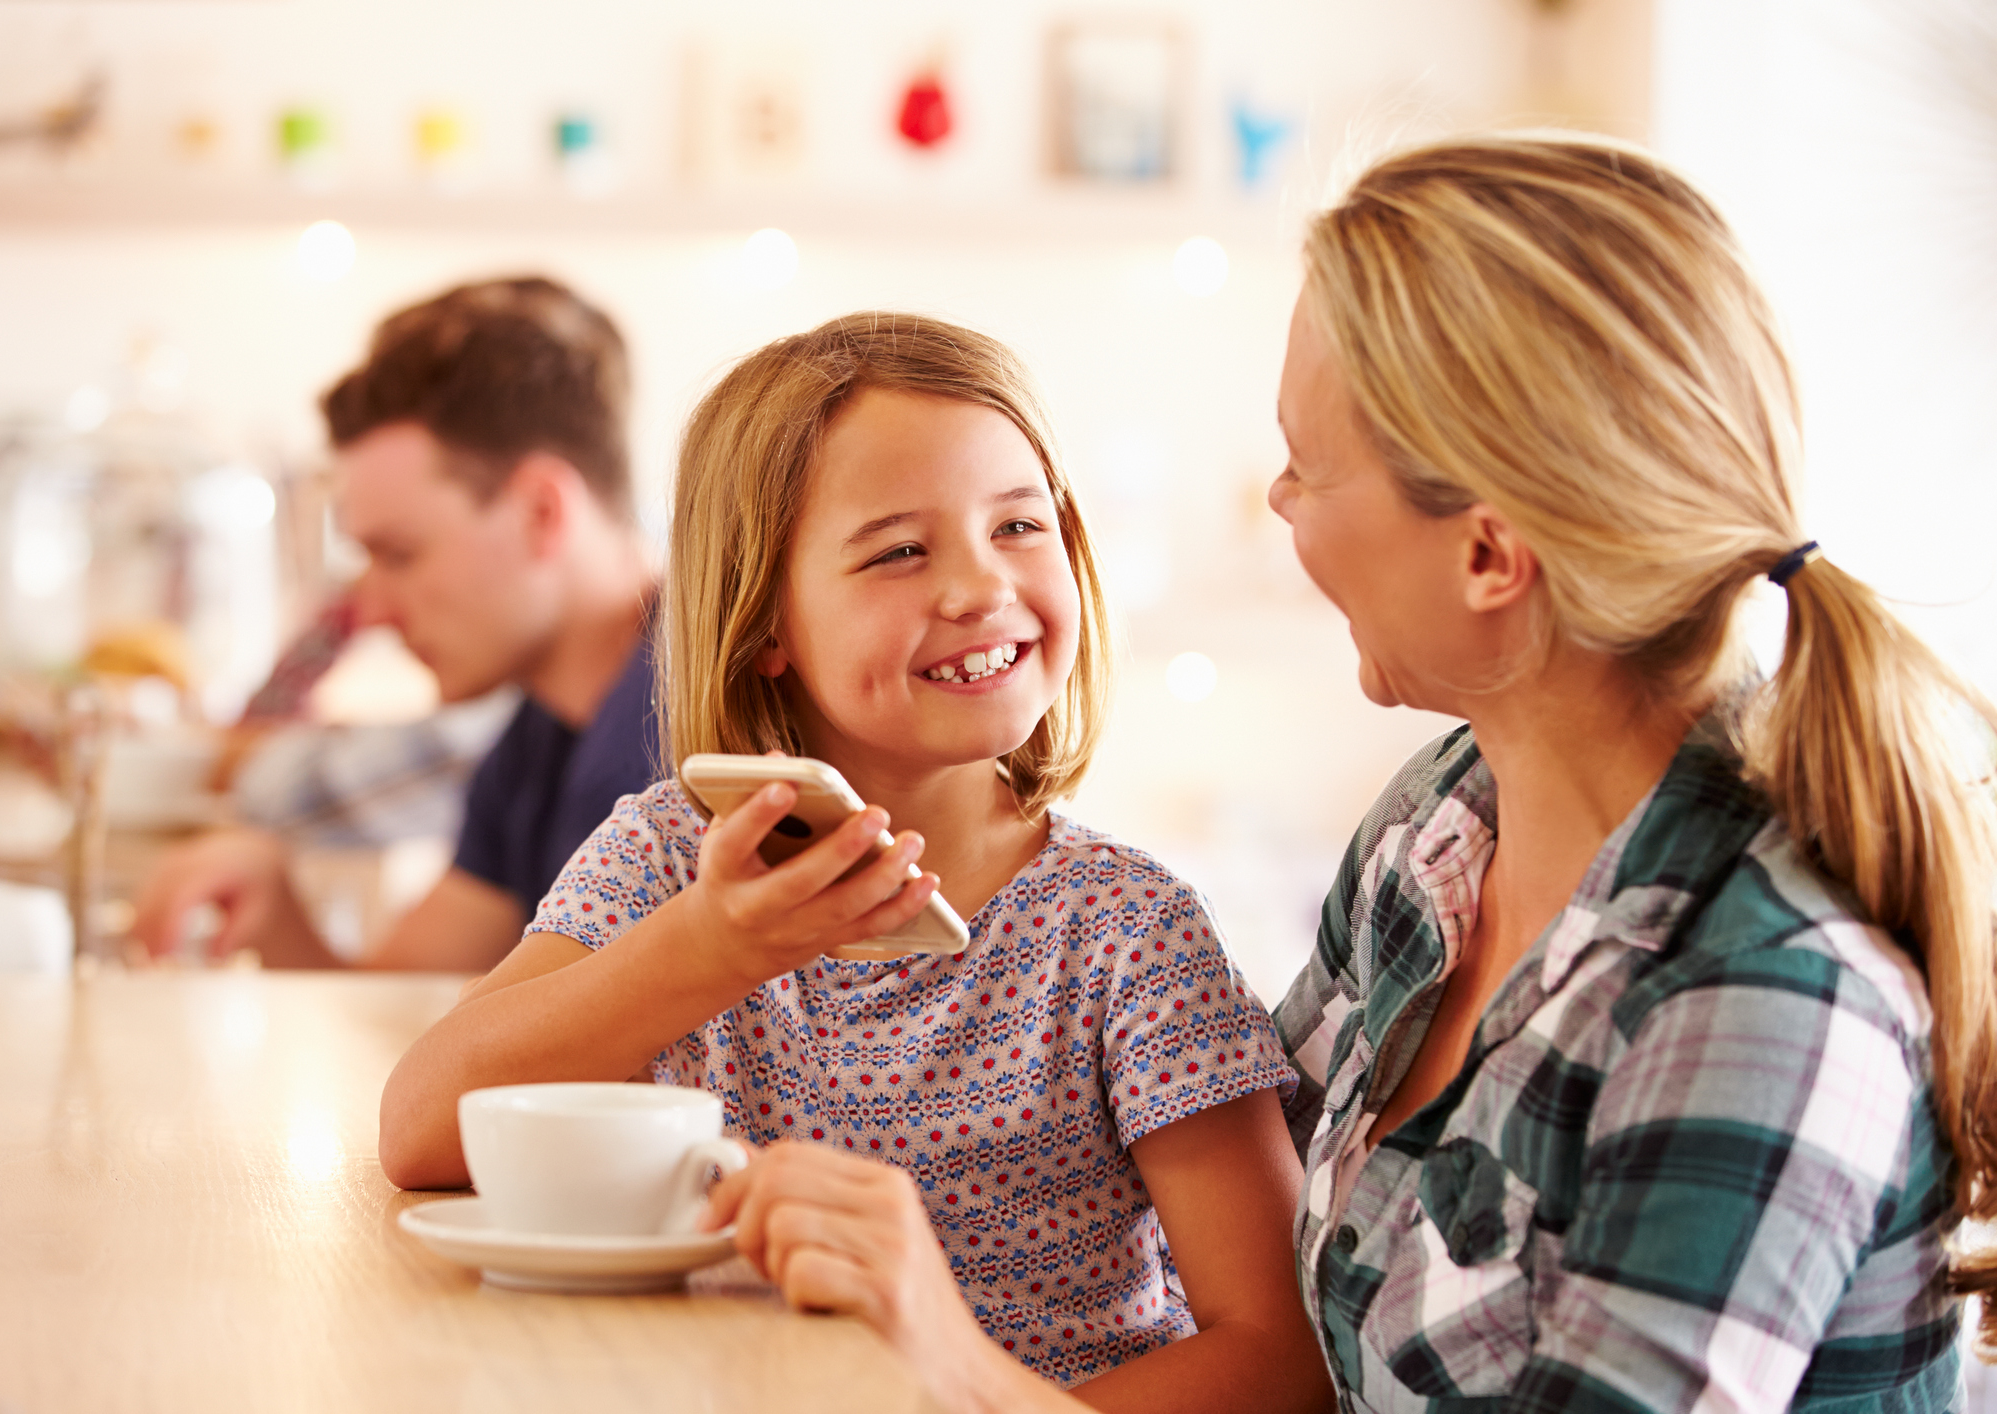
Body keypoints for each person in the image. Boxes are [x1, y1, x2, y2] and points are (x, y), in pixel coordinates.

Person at [695, 135, 1997, 1413]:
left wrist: (961, 1370)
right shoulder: (1442, 828)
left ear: (1488, 555)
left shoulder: (1765, 995)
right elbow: (1278, 1303)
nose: (1278, 499)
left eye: (1309, 464)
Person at [379, 312, 1324, 1410]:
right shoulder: (666, 862)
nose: (980, 587)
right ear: (766, 618)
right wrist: (714, 945)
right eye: (900, 551)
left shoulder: (1125, 929)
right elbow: (423, 1129)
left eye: (1019, 526)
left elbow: (1278, 1359)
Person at [132, 277, 661, 971]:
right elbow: (414, 1019)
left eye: (399, 554)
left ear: (541, 512)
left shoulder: (678, 744)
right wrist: (276, 905)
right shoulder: (537, 738)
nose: (372, 612)